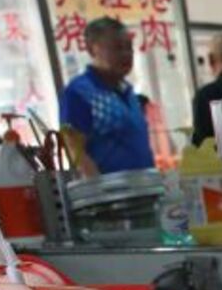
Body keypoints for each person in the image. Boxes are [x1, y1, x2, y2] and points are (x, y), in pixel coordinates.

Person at [59, 17, 155, 175]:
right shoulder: (79, 92)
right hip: (111, 188)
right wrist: (96, 186)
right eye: (117, 48)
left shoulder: (128, 91)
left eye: (129, 47)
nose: (126, 54)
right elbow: (75, 151)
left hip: (147, 184)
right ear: (92, 49)